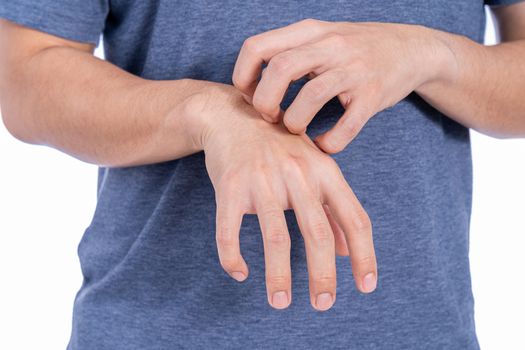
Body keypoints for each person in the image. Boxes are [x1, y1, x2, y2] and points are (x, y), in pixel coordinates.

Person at [0, 0, 524, 349]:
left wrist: (431, 55)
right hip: (159, 329)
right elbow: (25, 77)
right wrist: (208, 114)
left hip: (421, 332)